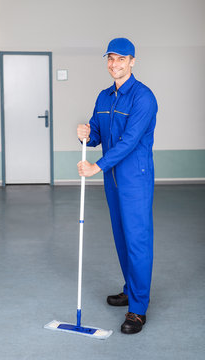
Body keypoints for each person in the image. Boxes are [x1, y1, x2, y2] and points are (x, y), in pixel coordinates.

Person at [77, 38, 158, 334]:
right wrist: (85, 133)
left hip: (135, 179)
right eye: (110, 59)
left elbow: (129, 141)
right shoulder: (103, 96)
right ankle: (130, 288)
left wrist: (97, 166)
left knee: (137, 241)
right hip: (112, 180)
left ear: (132, 61)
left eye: (121, 59)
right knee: (122, 239)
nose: (115, 64)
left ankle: (137, 308)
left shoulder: (143, 97)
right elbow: (96, 134)